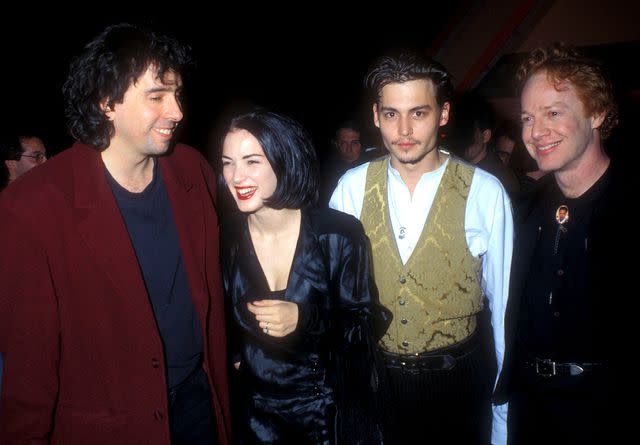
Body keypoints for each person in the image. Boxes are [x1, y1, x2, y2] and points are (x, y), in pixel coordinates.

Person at [0, 24, 230, 444]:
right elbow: (28, 364)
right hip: (110, 428)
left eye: (177, 94)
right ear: (107, 102)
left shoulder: (193, 171)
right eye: (157, 96)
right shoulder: (33, 205)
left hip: (201, 409)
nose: (177, 111)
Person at [330, 51, 512, 444]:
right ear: (376, 116)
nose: (404, 129)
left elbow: (503, 309)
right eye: (392, 114)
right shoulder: (351, 187)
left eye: (419, 112)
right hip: (378, 385)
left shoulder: (484, 191)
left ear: (443, 114)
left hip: (460, 384)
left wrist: (503, 415)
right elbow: (332, 300)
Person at [220, 109, 391, 444]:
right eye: (227, 162)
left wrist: (306, 317)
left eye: (252, 161)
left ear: (284, 160)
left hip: (328, 414)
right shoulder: (225, 242)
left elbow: (368, 323)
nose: (236, 176)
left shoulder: (338, 234)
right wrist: (237, 357)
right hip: (255, 418)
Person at [495, 43, 629, 444]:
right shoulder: (524, 207)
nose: (535, 133)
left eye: (553, 113)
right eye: (527, 118)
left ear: (597, 113)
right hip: (530, 407)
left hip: (606, 413)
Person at [455, 93, 520, 197]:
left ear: (485, 136)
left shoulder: (500, 181)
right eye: (458, 130)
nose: (462, 138)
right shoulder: (452, 163)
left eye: (468, 132)